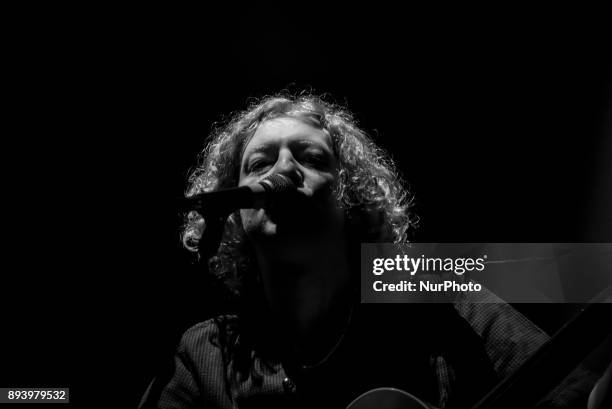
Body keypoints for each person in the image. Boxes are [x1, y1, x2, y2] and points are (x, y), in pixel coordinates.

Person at [139, 93, 610, 409]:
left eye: (311, 158)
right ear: (235, 208)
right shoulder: (207, 353)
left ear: (349, 196)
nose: (283, 170)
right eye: (259, 162)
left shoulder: (420, 283)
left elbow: (570, 391)